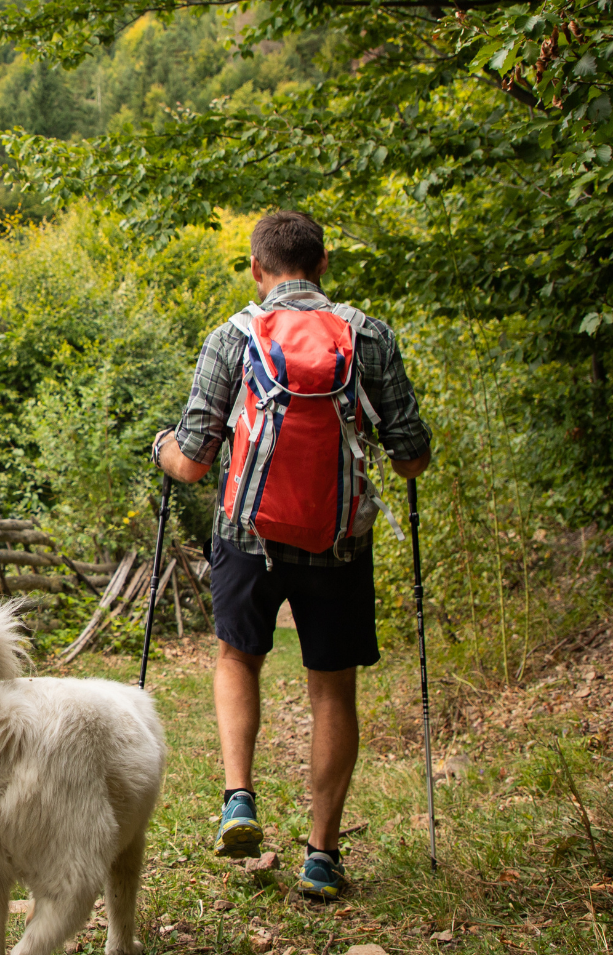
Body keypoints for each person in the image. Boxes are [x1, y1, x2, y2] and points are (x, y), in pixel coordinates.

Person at [151, 210, 430, 901]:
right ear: (323, 266)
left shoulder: (233, 337)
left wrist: (161, 445)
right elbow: (411, 458)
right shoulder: (369, 337)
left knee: (237, 657)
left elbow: (191, 463)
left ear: (257, 269)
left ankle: (239, 798)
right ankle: (321, 856)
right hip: (337, 541)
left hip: (249, 537)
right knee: (332, 687)